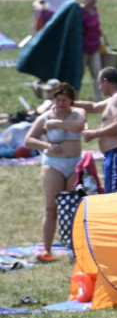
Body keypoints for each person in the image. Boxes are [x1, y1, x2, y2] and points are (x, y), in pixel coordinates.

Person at [22, 82, 85, 262]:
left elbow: (79, 126)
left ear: (71, 101)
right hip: (53, 165)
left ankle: (76, 249)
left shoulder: (77, 114)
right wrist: (48, 145)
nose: (60, 103)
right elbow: (29, 140)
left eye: (64, 100)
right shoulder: (45, 117)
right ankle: (47, 249)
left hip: (74, 163)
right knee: (51, 208)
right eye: (58, 100)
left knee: (74, 208)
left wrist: (58, 123)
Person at [76, 67, 117, 192]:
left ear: (106, 82)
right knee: (112, 194)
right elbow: (93, 107)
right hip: (114, 155)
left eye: (99, 83)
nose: (99, 87)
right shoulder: (114, 99)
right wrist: (69, 103)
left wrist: (94, 134)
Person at [80, 0, 103, 101]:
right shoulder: (80, 10)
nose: (95, 0)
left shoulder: (95, 10)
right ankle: (74, 98)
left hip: (95, 47)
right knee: (79, 75)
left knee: (98, 73)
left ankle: (99, 99)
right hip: (82, 49)